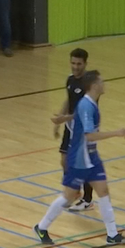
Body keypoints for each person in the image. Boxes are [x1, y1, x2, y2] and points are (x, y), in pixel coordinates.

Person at [36, 70, 125, 246]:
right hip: (80, 159)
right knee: (68, 196)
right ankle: (42, 227)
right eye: (101, 82)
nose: (104, 84)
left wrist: (64, 118)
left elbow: (78, 120)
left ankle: (112, 234)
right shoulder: (87, 105)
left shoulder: (89, 104)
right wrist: (117, 133)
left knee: (103, 192)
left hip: (91, 157)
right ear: (95, 85)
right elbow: (89, 135)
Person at [53, 48, 94, 212]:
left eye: (79, 64)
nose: (75, 67)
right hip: (70, 127)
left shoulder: (89, 85)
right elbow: (68, 101)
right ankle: (74, 191)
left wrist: (65, 118)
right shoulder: (70, 80)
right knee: (64, 161)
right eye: (73, 63)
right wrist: (58, 123)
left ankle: (88, 200)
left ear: (85, 64)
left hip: (83, 129)